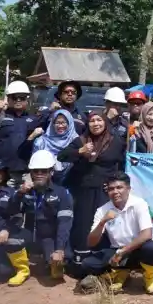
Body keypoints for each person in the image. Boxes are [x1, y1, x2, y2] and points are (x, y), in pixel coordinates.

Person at [58, 112, 127, 265]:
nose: (96, 124)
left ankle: (105, 258)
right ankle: (81, 259)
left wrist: (113, 181)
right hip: (84, 190)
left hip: (105, 192)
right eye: (92, 121)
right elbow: (62, 156)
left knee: (105, 223)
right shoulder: (81, 140)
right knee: (84, 224)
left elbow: (123, 164)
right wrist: (80, 152)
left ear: (105, 122)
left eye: (99, 120)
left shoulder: (116, 142)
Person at [76, 172, 153, 295]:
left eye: (119, 187)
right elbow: (91, 242)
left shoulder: (139, 203)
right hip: (117, 251)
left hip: (137, 249)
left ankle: (149, 278)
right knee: (87, 264)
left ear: (128, 189)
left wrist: (123, 251)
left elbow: (147, 234)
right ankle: (121, 272)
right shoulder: (102, 210)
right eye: (111, 189)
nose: (115, 192)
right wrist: (102, 222)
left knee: (151, 248)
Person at [6, 150, 74, 283]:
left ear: (51, 172)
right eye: (35, 171)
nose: (39, 174)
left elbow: (64, 224)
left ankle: (48, 259)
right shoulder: (25, 191)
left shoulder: (62, 193)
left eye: (43, 171)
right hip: (31, 235)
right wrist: (19, 194)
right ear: (30, 173)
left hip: (51, 238)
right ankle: (23, 270)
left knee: (59, 264)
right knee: (11, 243)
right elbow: (10, 210)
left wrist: (59, 249)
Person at [0, 80, 41, 188]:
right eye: (14, 97)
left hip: (22, 170)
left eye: (22, 97)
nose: (18, 100)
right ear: (8, 98)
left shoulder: (33, 118)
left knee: (20, 201)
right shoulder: (0, 115)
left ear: (27, 99)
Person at [28, 109, 79, 186]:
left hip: (71, 183)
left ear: (70, 123)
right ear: (52, 124)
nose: (60, 126)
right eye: (57, 123)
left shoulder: (76, 140)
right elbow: (35, 165)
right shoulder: (41, 142)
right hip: (46, 184)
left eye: (63, 122)